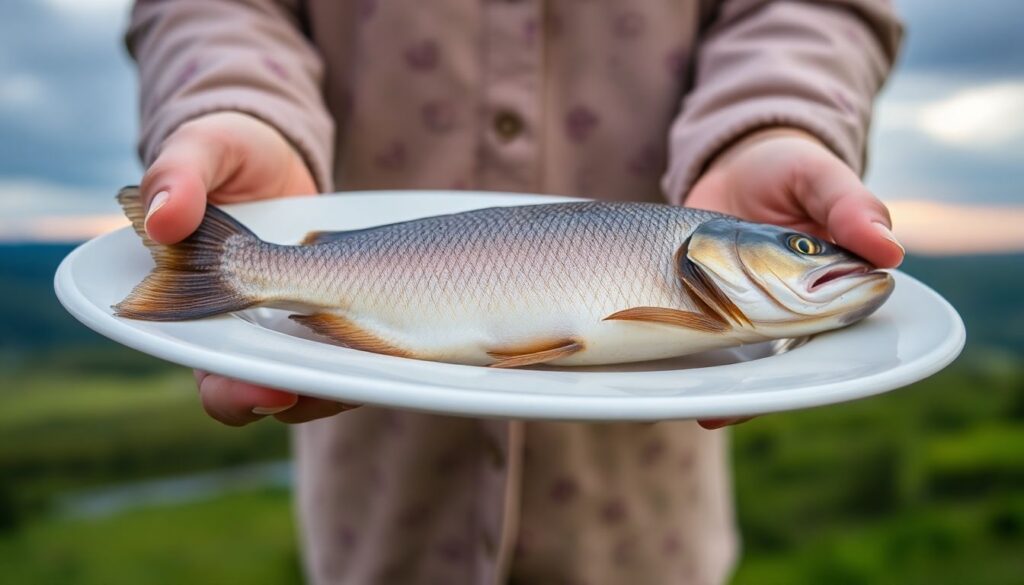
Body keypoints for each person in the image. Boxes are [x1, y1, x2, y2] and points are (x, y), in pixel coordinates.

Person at [126, 1, 903, 583]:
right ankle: (228, 269)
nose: (812, 258)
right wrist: (231, 103)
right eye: (802, 248)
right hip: (382, 519)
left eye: (802, 250)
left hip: (641, 532)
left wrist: (775, 127)